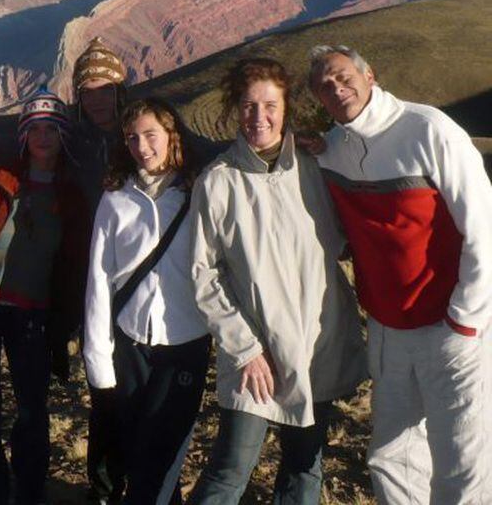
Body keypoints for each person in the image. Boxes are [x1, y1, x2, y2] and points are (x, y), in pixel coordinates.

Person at [308, 44, 492, 505]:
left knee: (461, 463)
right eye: (325, 87)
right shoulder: (331, 150)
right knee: (392, 456)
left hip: (451, 326)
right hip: (388, 328)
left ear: (370, 76)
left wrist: (467, 318)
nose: (337, 89)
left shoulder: (429, 130)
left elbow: (483, 226)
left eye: (343, 76)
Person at [188, 57, 365, 505]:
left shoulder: (315, 167)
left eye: (270, 105)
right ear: (235, 109)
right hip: (255, 354)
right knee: (231, 470)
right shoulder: (218, 182)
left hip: (315, 344)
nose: (259, 117)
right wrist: (244, 348)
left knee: (305, 469)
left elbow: (354, 229)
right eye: (248, 106)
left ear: (286, 109)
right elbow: (204, 274)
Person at [0, 86, 90, 505]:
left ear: (63, 134)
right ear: (24, 135)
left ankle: (30, 492)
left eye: (52, 128)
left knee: (33, 410)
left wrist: (67, 320)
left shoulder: (71, 197)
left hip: (33, 315)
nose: (44, 137)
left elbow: (73, 264)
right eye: (35, 129)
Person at [84, 97, 211, 505]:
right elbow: (99, 282)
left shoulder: (197, 193)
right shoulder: (115, 199)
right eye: (132, 138)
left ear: (171, 135)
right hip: (132, 342)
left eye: (150, 135)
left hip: (186, 342)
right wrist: (98, 360)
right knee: (139, 445)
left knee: (165, 446)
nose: (142, 146)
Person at [71, 37, 130, 504]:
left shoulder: (146, 133)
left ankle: (151, 485)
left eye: (104, 88)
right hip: (97, 287)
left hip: (152, 286)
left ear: (121, 90)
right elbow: (17, 134)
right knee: (104, 390)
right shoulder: (73, 140)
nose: (96, 98)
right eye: (87, 90)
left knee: (148, 394)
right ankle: (105, 487)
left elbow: (205, 153)